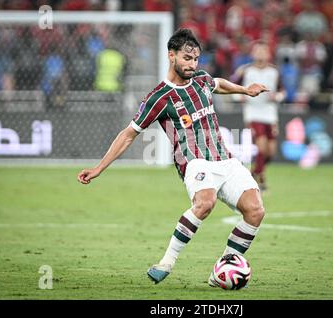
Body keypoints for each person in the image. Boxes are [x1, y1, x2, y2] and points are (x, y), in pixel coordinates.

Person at [77, 28, 269, 287]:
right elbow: (128, 134)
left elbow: (219, 83)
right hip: (194, 162)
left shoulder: (201, 80)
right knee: (205, 203)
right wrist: (100, 168)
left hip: (226, 159)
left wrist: (245, 90)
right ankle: (166, 262)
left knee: (256, 211)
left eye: (195, 59)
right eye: (187, 59)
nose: (192, 64)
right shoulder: (159, 97)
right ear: (172, 56)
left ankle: (222, 269)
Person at [231, 42, 284, 191]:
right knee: (261, 146)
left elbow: (282, 91)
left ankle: (253, 173)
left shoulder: (274, 71)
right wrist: (239, 97)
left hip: (270, 113)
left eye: (263, 51)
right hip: (253, 112)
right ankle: (260, 180)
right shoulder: (245, 70)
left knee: (271, 152)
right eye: (258, 51)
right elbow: (232, 87)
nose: (260, 53)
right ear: (252, 53)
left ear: (268, 53)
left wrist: (277, 97)